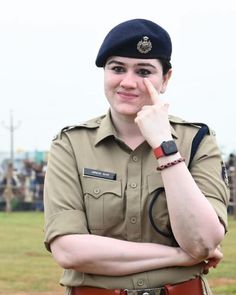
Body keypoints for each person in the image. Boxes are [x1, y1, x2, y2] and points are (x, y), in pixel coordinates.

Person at [43, 18, 229, 295]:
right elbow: (70, 251)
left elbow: (203, 241)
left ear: (165, 79)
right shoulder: (71, 144)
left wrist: (165, 146)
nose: (128, 82)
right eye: (117, 68)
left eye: (144, 71)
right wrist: (181, 256)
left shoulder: (198, 141)